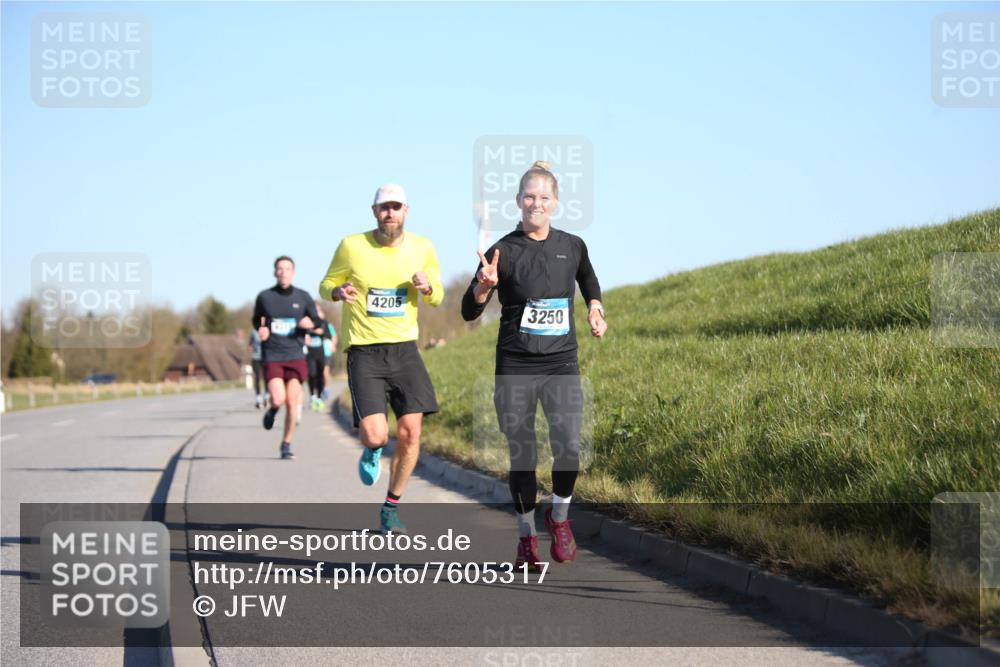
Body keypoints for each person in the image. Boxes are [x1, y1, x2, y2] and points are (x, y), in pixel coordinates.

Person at [461, 160, 607, 571]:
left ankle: (559, 517)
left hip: (561, 361)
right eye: (529, 196)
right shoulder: (501, 250)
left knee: (569, 444)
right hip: (516, 364)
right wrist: (481, 287)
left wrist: (595, 307)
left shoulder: (573, 245)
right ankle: (526, 537)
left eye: (544, 197)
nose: (536, 203)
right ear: (518, 201)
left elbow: (588, 279)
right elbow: (468, 313)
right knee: (522, 452)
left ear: (556, 202)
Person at [319, 183, 444, 534]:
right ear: (374, 212)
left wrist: (428, 288)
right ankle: (372, 450)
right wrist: (337, 291)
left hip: (405, 350)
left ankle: (391, 506)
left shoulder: (423, 247)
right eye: (383, 207)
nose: (390, 213)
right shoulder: (352, 246)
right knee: (376, 436)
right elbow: (326, 282)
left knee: (410, 433)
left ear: (407, 210)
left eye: (396, 206)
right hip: (364, 351)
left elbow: (438, 295)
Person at [253, 255, 321, 460]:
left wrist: (311, 324)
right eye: (280, 269)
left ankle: (286, 443)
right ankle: (273, 410)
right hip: (273, 354)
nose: (283, 272)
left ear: (294, 272)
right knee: (278, 398)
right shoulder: (265, 297)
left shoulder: (303, 297)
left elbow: (318, 321)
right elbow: (257, 320)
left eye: (287, 268)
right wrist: (261, 329)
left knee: (292, 402)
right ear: (275, 273)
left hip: (296, 354)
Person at [304, 302, 333, 411]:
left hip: (320, 352)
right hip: (309, 352)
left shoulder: (323, 322)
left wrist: (315, 331)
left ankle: (320, 397)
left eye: (318, 310)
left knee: (320, 375)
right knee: (311, 374)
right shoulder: (306, 322)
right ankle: (312, 396)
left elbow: (327, 334)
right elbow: (302, 335)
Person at [247, 329, 266, 408]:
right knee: (257, 377)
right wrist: (250, 347)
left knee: (267, 377)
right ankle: (258, 398)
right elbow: (250, 345)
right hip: (255, 358)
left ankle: (267, 397)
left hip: (266, 357)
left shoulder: (267, 329)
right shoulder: (253, 332)